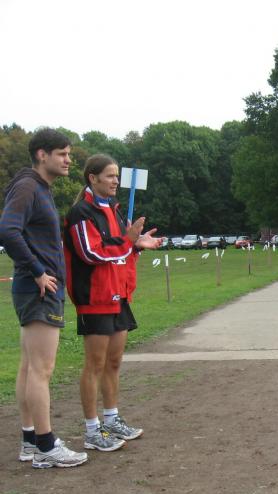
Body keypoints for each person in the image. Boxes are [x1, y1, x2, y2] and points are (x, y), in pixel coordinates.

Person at [0, 128, 88, 468]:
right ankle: (46, 446)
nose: (68, 160)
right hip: (39, 289)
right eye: (62, 154)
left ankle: (30, 441)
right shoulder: (27, 187)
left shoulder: (37, 187)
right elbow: (8, 230)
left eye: (69, 154)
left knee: (29, 367)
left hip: (35, 288)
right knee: (41, 369)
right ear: (42, 154)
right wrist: (38, 270)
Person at [63, 154, 163, 452]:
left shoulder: (115, 210)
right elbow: (91, 253)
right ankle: (92, 430)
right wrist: (127, 241)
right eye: (109, 176)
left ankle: (111, 418)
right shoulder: (81, 213)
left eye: (117, 176)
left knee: (114, 362)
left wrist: (137, 245)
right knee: (95, 364)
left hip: (119, 295)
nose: (115, 181)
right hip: (95, 297)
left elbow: (119, 252)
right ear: (92, 178)